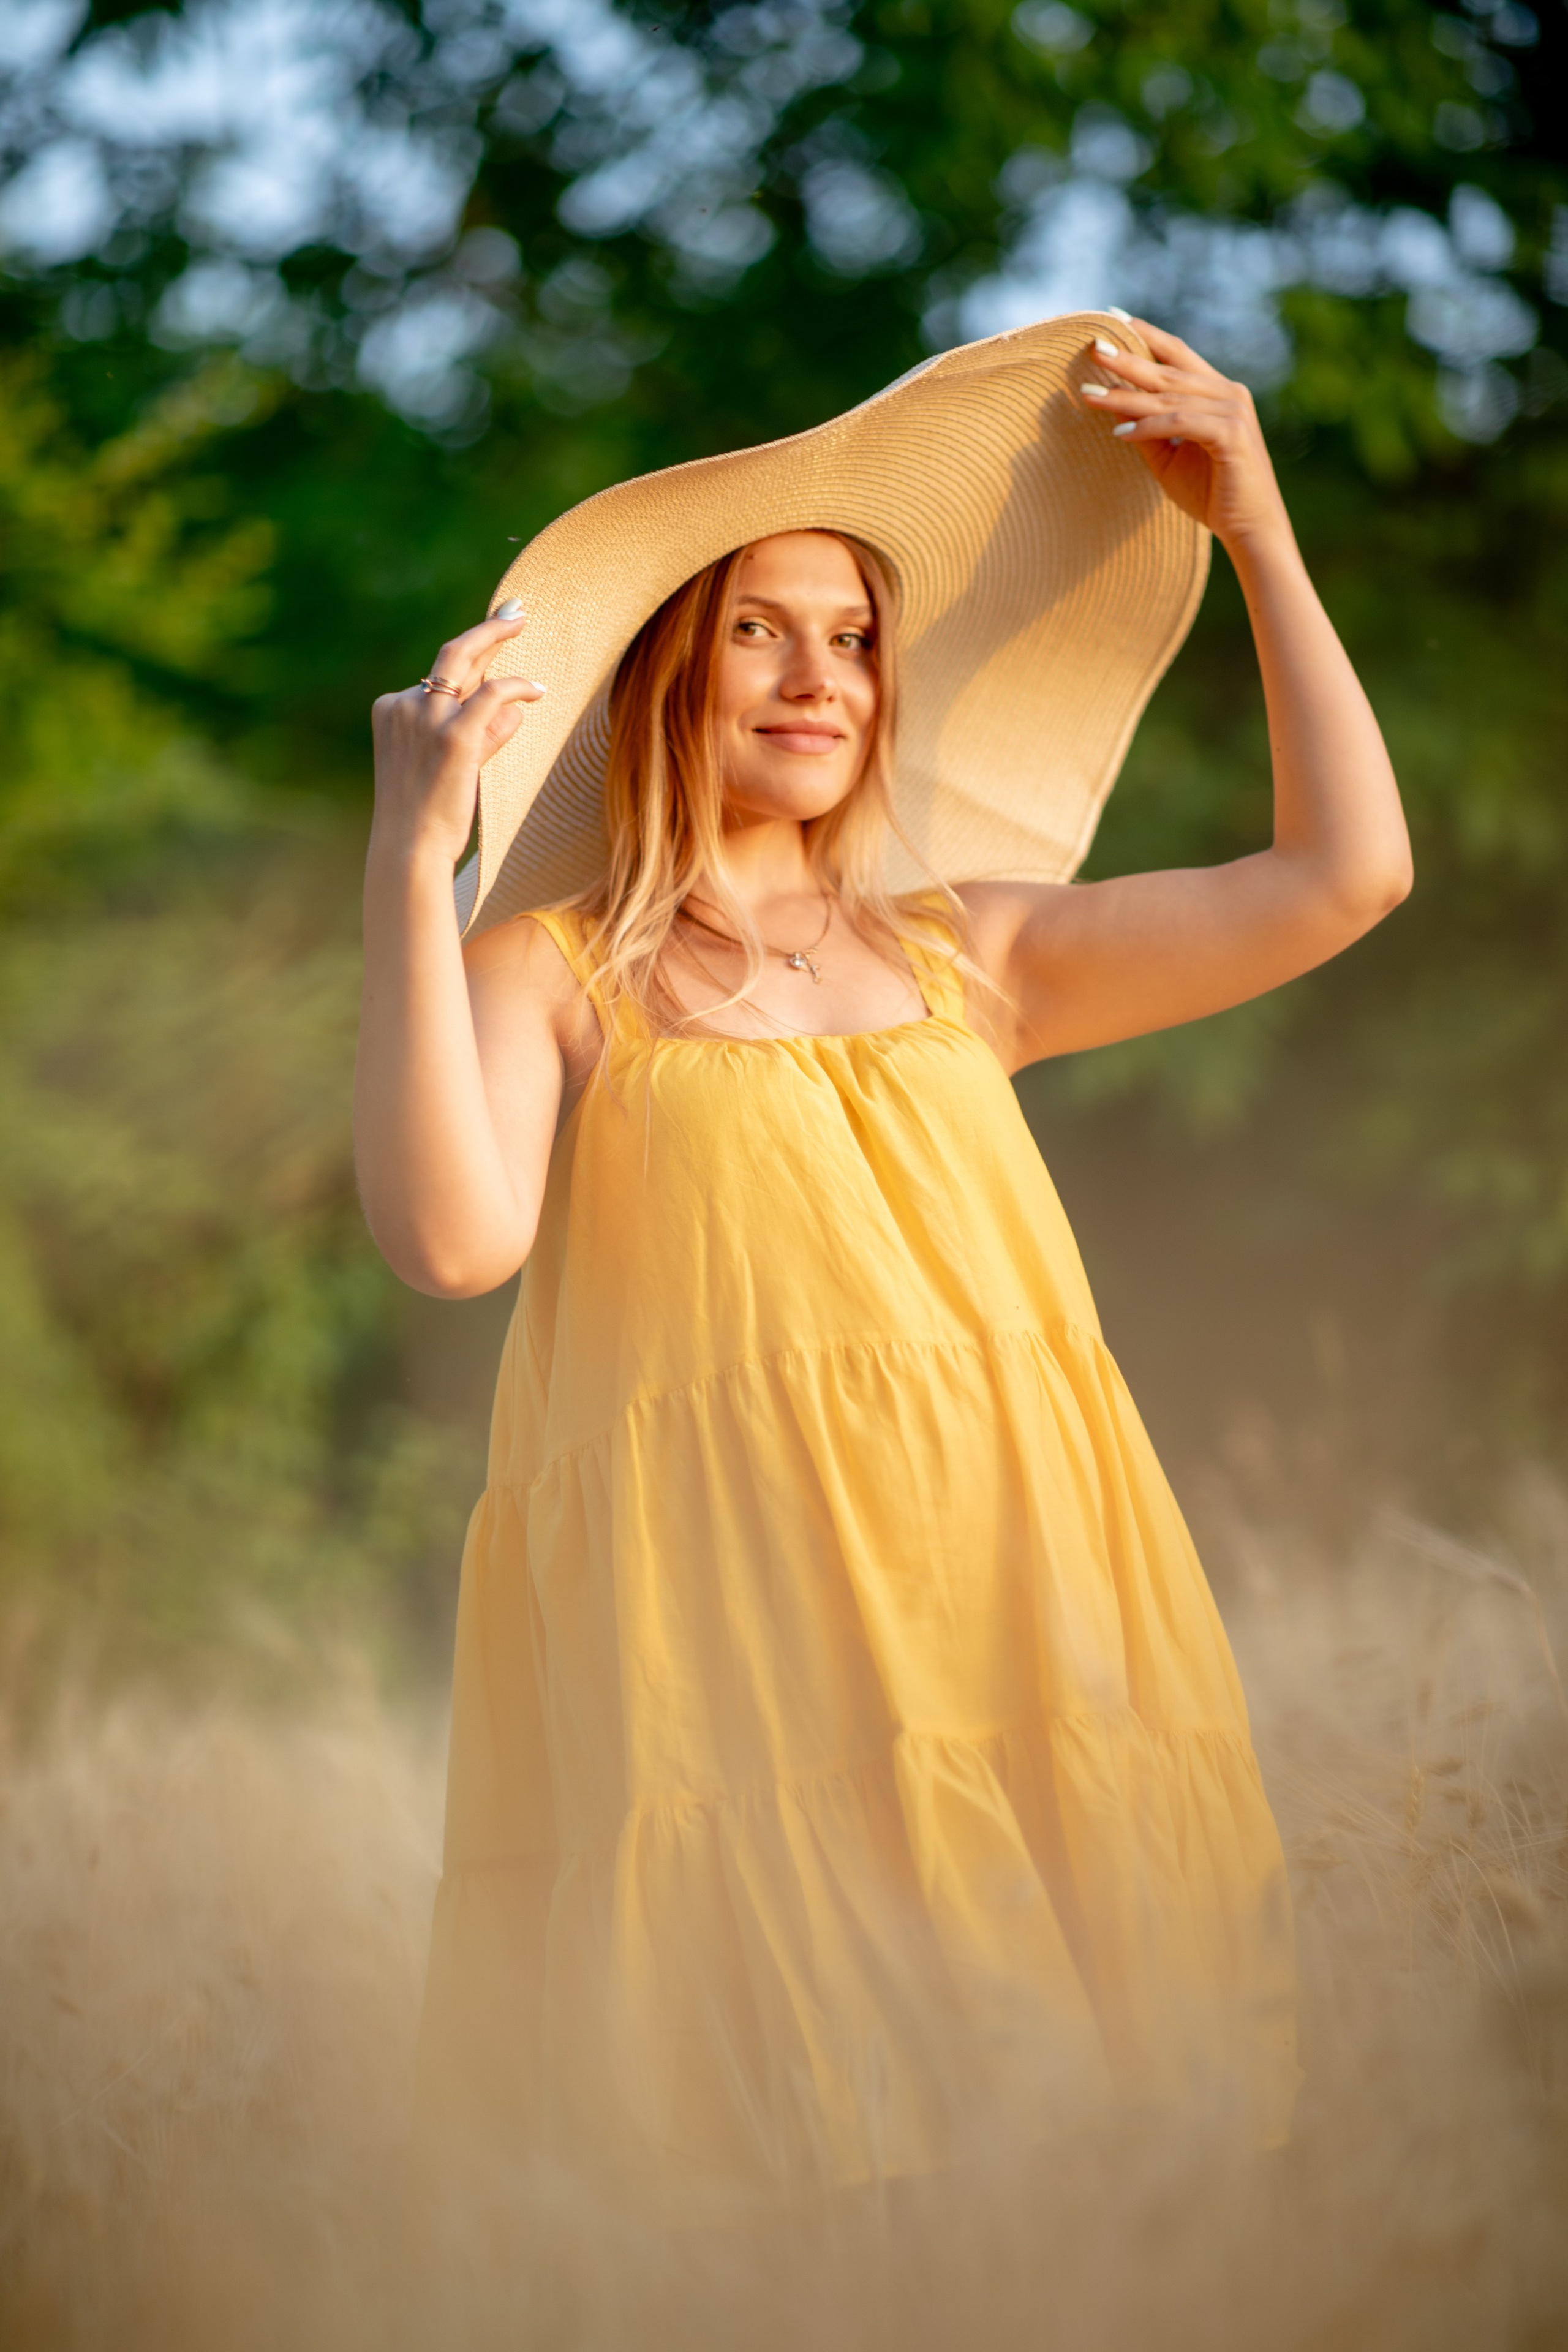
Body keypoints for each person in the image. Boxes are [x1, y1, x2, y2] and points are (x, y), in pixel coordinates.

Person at [355, 316, 1411, 2211]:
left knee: (1098, 2143)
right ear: (667, 664)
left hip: (1024, 1595)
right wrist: (406, 865)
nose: (821, 673)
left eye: (854, 637)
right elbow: (449, 1243)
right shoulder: (551, 977)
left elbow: (1345, 876)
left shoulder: (967, 955)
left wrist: (1260, 532)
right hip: (734, 1640)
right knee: (791, 2139)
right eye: (762, 625)